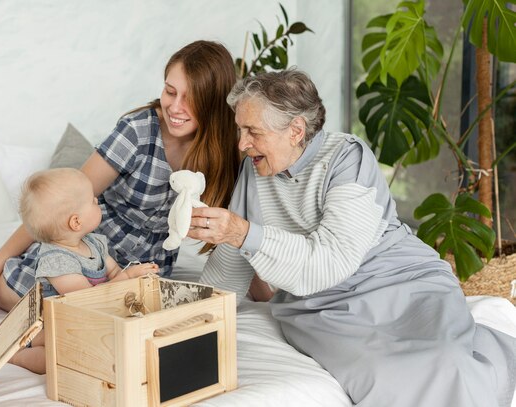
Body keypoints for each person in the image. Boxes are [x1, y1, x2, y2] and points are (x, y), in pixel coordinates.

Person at [188, 70, 516, 407]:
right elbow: (232, 260)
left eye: (252, 132)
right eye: (240, 130)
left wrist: (243, 233)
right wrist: (190, 313)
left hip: (400, 279)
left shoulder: (347, 158)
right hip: (323, 306)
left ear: (296, 130)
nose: (242, 144)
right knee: (386, 371)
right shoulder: (255, 170)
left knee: (450, 358)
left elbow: (332, 261)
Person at [0, 40, 241, 325]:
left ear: (213, 104)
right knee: (48, 312)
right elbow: (59, 208)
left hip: (143, 267)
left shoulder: (224, 149)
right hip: (83, 251)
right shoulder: (138, 132)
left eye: (190, 99)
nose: (175, 107)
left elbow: (239, 223)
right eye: (169, 91)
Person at [6, 167, 158, 373]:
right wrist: (127, 276)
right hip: (53, 326)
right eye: (94, 201)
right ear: (76, 221)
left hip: (87, 319)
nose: (99, 203)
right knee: (55, 360)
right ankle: (18, 356)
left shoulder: (94, 243)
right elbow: (85, 299)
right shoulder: (56, 261)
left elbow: (114, 273)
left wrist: (132, 279)